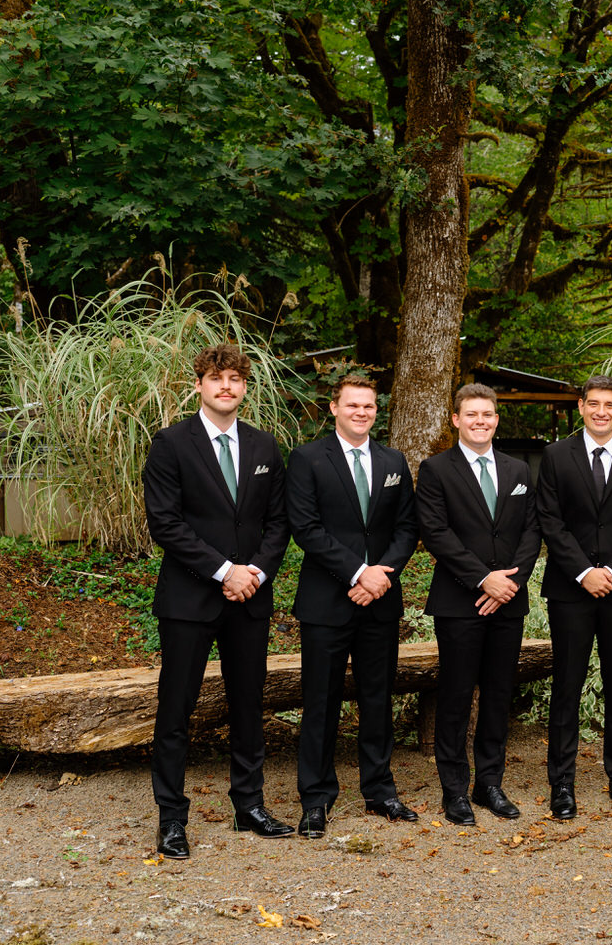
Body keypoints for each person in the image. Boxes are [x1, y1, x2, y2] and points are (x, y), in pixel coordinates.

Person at [142, 343, 291, 859]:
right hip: (190, 598)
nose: (226, 386)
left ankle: (249, 806)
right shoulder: (170, 444)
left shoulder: (264, 447)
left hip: (249, 598)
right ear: (200, 385)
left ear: (244, 386)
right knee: (175, 709)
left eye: (235, 379)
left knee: (248, 704)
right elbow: (165, 522)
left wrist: (254, 573)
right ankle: (171, 819)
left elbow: (278, 523)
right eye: (216, 378)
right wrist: (223, 570)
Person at [286, 374, 419, 838]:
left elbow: (407, 528)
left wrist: (381, 574)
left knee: (377, 699)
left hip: (380, 601)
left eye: (369, 407)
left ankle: (380, 789)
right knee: (320, 702)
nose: (361, 412)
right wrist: (357, 572)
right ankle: (316, 797)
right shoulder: (306, 459)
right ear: (334, 408)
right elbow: (305, 528)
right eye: (353, 405)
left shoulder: (393, 460)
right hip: (327, 601)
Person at [535, 375, 612, 818]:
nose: (602, 411)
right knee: (568, 683)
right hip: (570, 589)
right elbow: (550, 520)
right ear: (581, 407)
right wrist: (585, 571)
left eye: (610, 404)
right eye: (594, 403)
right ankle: (562, 782)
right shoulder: (555, 456)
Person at [417, 384, 542, 826]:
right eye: (471, 414)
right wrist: (482, 579)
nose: (480, 421)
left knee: (498, 696)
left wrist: (509, 582)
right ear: (455, 419)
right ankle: (455, 790)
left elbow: (532, 531)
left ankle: (489, 783)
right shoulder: (435, 470)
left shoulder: (519, 470)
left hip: (508, 601)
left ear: (496, 419)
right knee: (455, 697)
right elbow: (436, 533)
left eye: (487, 414)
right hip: (459, 601)